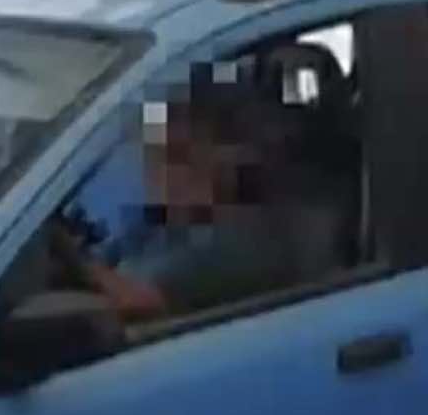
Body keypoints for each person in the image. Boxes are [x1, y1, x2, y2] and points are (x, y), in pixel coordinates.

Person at [47, 85, 349, 324]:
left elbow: (137, 302)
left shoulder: (234, 242)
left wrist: (68, 253)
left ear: (228, 158)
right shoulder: (167, 221)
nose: (164, 173)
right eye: (156, 156)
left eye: (181, 157)